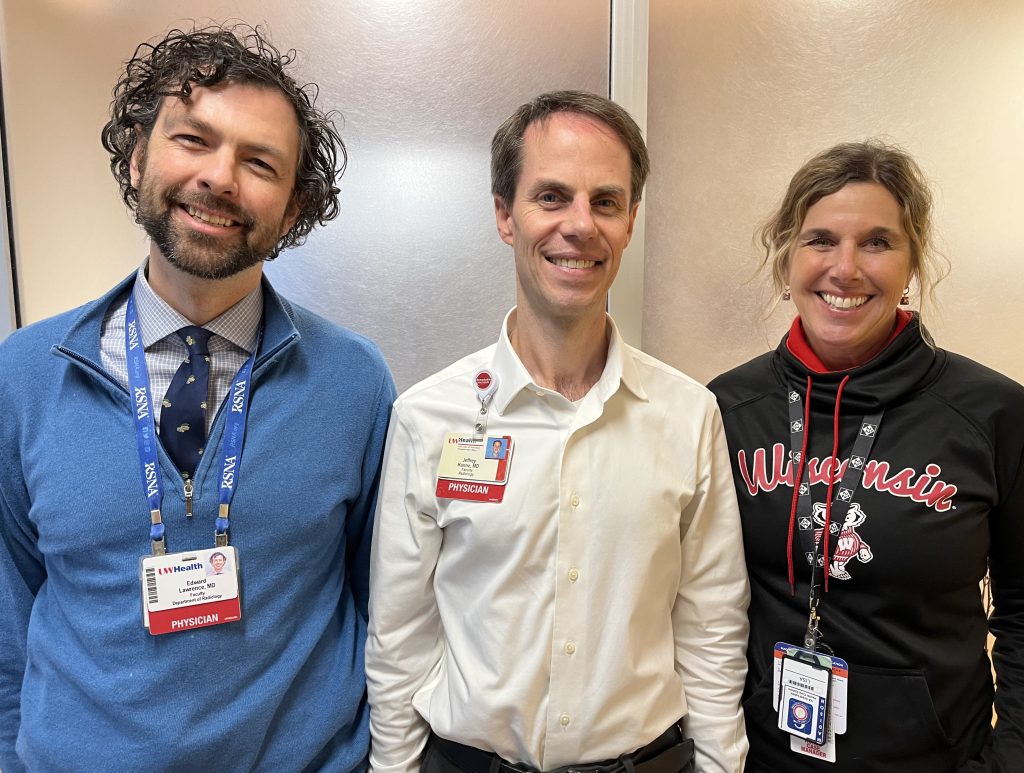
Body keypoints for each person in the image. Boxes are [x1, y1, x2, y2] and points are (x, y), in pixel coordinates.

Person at [0, 24, 395, 772]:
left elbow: (384, 609)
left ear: (294, 206)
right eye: (193, 140)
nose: (220, 177)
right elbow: (6, 615)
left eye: (260, 162)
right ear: (140, 153)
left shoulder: (355, 382)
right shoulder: (24, 375)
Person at [366, 91, 750, 773]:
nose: (580, 225)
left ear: (631, 221)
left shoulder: (688, 415)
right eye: (551, 196)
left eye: (605, 202)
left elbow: (711, 624)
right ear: (503, 215)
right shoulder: (429, 417)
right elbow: (401, 635)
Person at [708, 141, 1024, 772]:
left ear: (912, 263)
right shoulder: (726, 410)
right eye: (819, 239)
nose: (845, 268)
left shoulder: (992, 415)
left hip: (935, 759)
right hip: (760, 759)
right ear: (787, 257)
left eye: (877, 242)